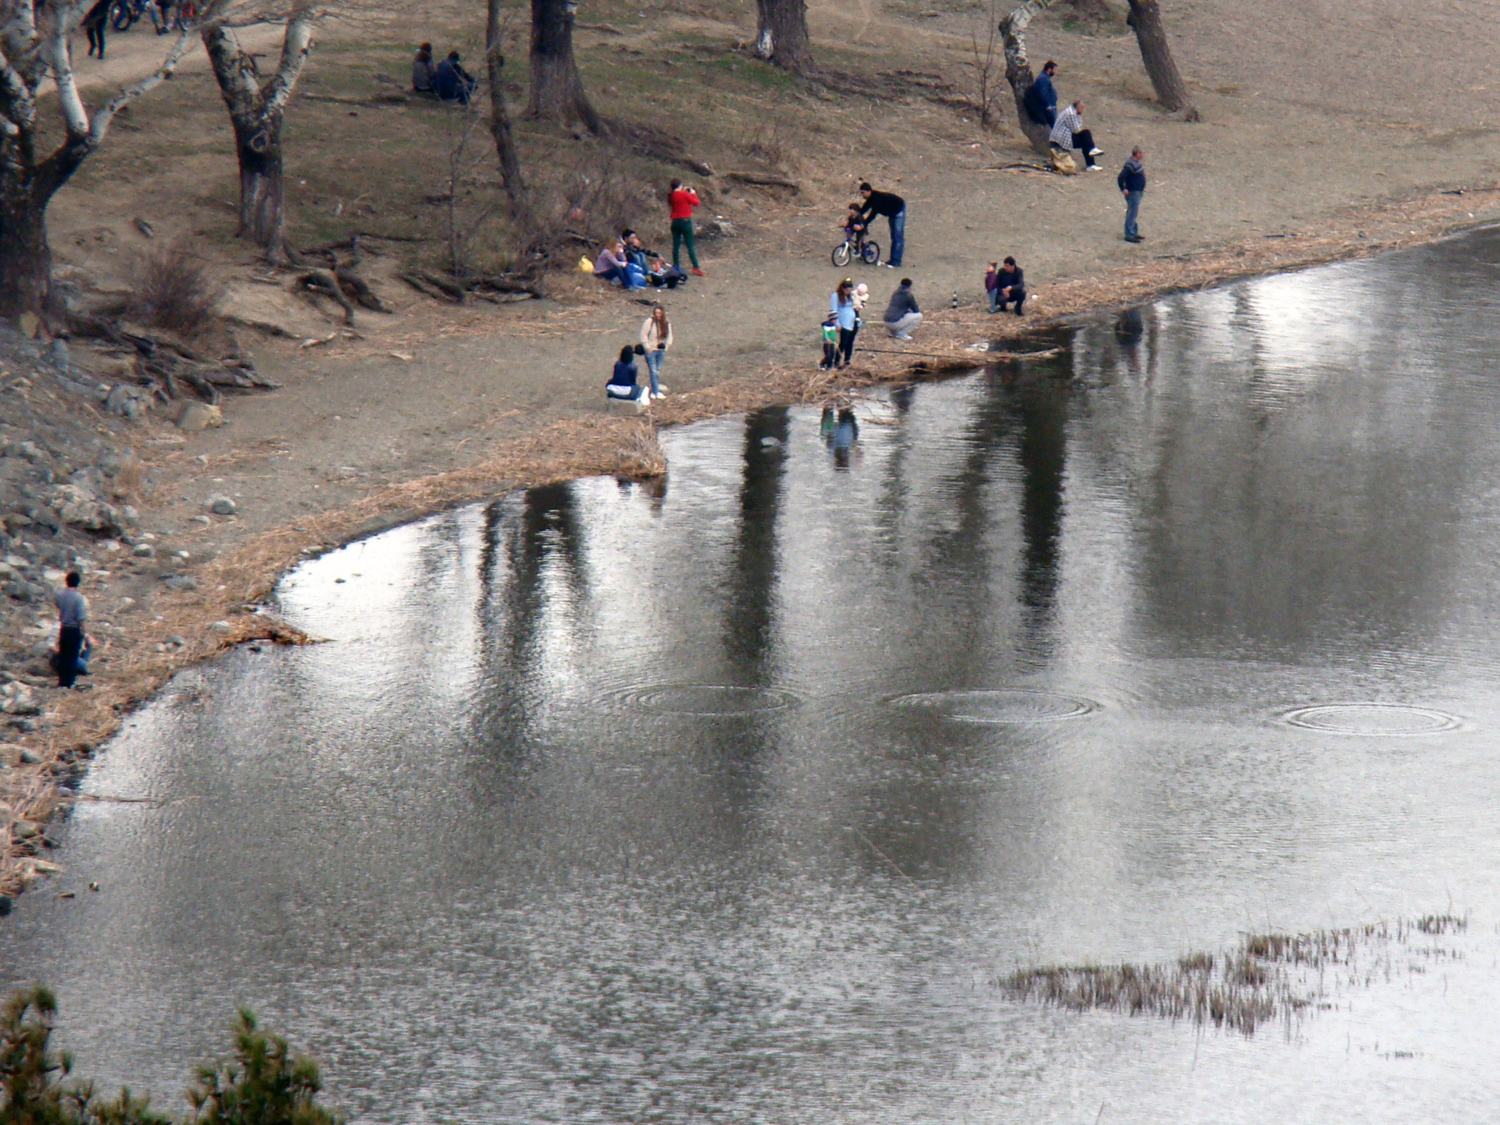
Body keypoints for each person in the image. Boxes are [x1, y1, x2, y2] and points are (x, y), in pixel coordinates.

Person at [857, 182, 906, 268]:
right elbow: (863, 209)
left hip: (898, 210)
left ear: (869, 191)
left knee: (897, 237)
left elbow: (873, 214)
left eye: (863, 192)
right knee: (893, 236)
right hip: (891, 213)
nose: (861, 195)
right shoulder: (871, 199)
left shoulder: (877, 198)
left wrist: (864, 223)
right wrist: (855, 218)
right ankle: (893, 259)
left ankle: (896, 261)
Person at [53, 571, 87, 690]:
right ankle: (69, 682)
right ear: (78, 583)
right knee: (72, 656)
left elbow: (57, 606)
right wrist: (85, 633)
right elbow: (81, 618)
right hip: (74, 629)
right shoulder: (79, 598)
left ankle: (61, 681)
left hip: (63, 628)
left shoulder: (59, 594)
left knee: (63, 654)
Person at [1050, 99, 1103, 171]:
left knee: (1086, 141)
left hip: (1063, 137)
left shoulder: (1073, 112)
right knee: (1085, 135)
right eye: (1082, 107)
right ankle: (1091, 155)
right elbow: (1076, 129)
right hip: (1060, 140)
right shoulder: (1071, 114)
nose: (1083, 109)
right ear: (1077, 107)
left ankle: (1091, 163)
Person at [668, 180, 705, 276]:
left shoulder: (671, 196)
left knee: (676, 245)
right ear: (680, 186)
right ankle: (696, 267)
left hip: (675, 221)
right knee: (690, 245)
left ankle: (676, 266)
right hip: (685, 221)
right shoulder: (684, 195)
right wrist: (693, 194)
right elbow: (696, 203)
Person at [639, 306, 673, 398]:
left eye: (659, 313)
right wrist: (647, 346)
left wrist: (666, 346)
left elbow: (669, 335)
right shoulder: (649, 322)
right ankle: (655, 391)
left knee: (657, 370)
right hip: (651, 350)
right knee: (653, 370)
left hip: (660, 350)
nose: (658, 315)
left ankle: (655, 390)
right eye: (656, 313)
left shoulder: (666, 323)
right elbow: (643, 334)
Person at [1118, 146, 1146, 243]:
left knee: (1134, 212)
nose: (1143, 155)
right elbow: (1121, 177)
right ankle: (1129, 234)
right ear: (1137, 154)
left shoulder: (1136, 163)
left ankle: (1133, 232)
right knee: (1132, 212)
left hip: (1137, 191)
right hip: (1133, 192)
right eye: (1142, 153)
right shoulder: (1130, 165)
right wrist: (1123, 188)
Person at [830, 279, 858, 368]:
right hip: (843, 323)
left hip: (852, 322)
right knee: (843, 343)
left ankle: (847, 360)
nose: (848, 292)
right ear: (842, 288)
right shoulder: (836, 296)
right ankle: (837, 361)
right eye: (846, 290)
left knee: (850, 342)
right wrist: (837, 324)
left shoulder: (851, 296)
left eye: (850, 290)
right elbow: (833, 310)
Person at [1023, 60, 1059, 128]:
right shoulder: (1043, 79)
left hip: (1050, 107)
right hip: (1048, 108)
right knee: (1055, 128)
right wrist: (1048, 105)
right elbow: (1043, 93)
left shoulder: (1045, 78)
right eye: (1054, 69)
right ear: (1049, 69)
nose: (1055, 72)